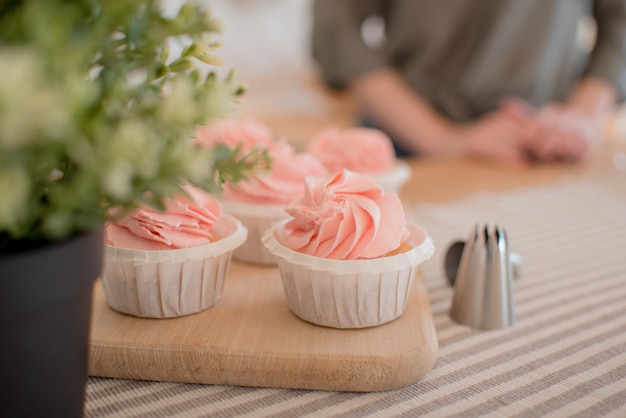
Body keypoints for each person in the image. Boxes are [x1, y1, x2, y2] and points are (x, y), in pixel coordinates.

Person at [311, 0, 626, 165]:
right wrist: (444, 139)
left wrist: (582, 116)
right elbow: (337, 27)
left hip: (544, 141)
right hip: (409, 132)